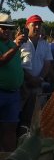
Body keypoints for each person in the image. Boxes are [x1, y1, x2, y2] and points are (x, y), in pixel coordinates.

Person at [19, 15, 53, 134]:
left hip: (37, 85)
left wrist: (39, 78)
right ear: (27, 26)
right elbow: (16, 64)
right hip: (21, 85)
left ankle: (24, 140)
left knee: (32, 117)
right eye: (34, 24)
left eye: (39, 24)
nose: (37, 27)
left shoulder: (45, 44)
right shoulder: (20, 42)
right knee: (16, 114)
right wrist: (29, 78)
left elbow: (47, 64)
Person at [0, 14, 26, 151]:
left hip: (13, 94)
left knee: (10, 128)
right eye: (3, 27)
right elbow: (2, 61)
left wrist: (23, 86)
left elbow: (18, 68)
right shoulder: (14, 46)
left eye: (9, 28)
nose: (7, 30)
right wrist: (16, 46)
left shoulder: (12, 45)